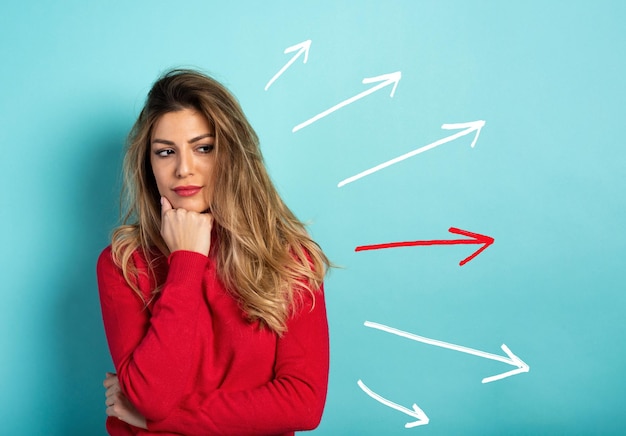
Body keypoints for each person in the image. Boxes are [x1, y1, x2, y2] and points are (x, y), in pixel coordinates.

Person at [97, 69, 331, 435]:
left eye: (203, 148)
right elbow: (153, 396)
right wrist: (186, 263)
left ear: (232, 155)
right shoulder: (124, 263)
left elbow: (302, 404)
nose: (183, 169)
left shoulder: (289, 257)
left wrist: (162, 421)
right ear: (149, 165)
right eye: (165, 152)